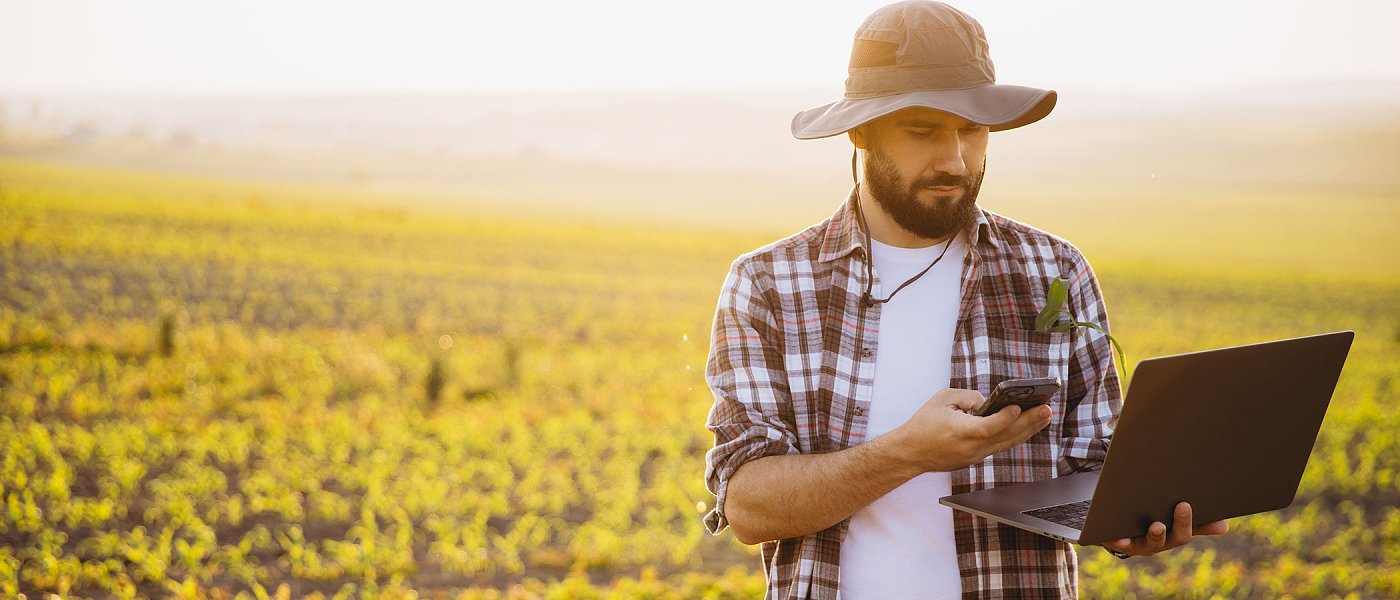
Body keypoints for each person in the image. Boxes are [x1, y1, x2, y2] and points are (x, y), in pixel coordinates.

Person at [700, 2, 1228, 598]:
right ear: (859, 131)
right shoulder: (769, 284)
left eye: (972, 131)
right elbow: (747, 506)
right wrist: (906, 454)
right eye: (923, 132)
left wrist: (1140, 515)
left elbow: (1095, 468)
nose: (954, 160)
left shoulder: (1055, 270)